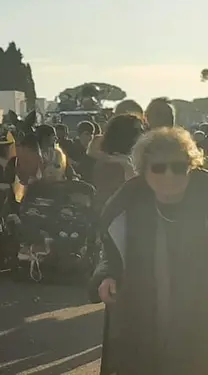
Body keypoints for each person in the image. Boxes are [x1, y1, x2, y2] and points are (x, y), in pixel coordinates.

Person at [92, 127, 208, 374]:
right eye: (158, 167)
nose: (169, 175)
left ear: (191, 167)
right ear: (144, 171)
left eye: (178, 167)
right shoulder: (127, 204)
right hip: (143, 315)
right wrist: (107, 276)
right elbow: (111, 251)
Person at [90, 114, 146, 215]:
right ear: (126, 134)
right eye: (139, 131)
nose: (143, 134)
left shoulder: (120, 159)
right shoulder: (114, 165)